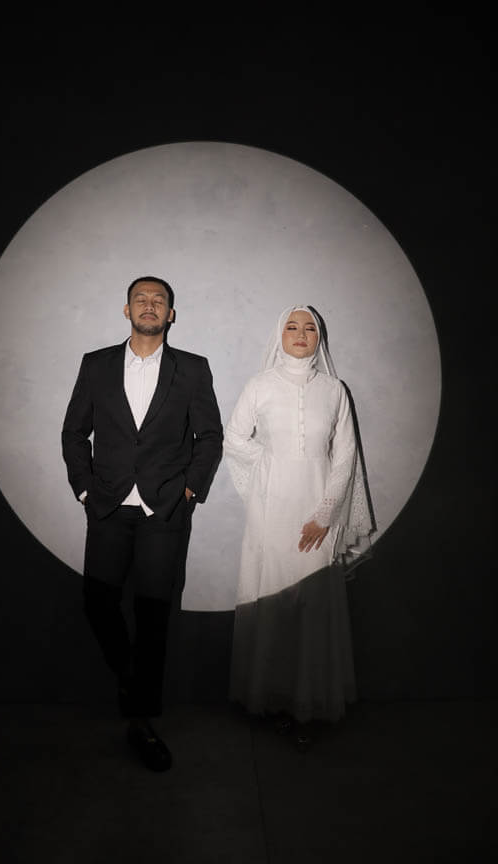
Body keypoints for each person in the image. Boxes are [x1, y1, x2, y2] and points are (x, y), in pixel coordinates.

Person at [62, 277, 222, 771]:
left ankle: (142, 722)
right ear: (126, 309)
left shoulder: (192, 369)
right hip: (108, 506)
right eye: (141, 299)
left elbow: (210, 436)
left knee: (153, 617)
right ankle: (133, 681)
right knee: (98, 602)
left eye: (159, 301)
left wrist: (189, 490)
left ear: (171, 314)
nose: (149, 306)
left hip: (164, 511)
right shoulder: (96, 364)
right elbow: (74, 432)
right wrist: (85, 489)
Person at [224, 305, 373, 745]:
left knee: (313, 602)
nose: (301, 333)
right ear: (280, 334)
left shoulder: (334, 390)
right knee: (274, 600)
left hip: (318, 508)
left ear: (319, 338)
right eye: (292, 326)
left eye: (310, 328)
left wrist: (325, 514)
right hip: (271, 511)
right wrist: (268, 464)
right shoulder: (260, 384)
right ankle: (274, 700)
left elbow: (345, 454)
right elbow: (233, 437)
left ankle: (308, 705)